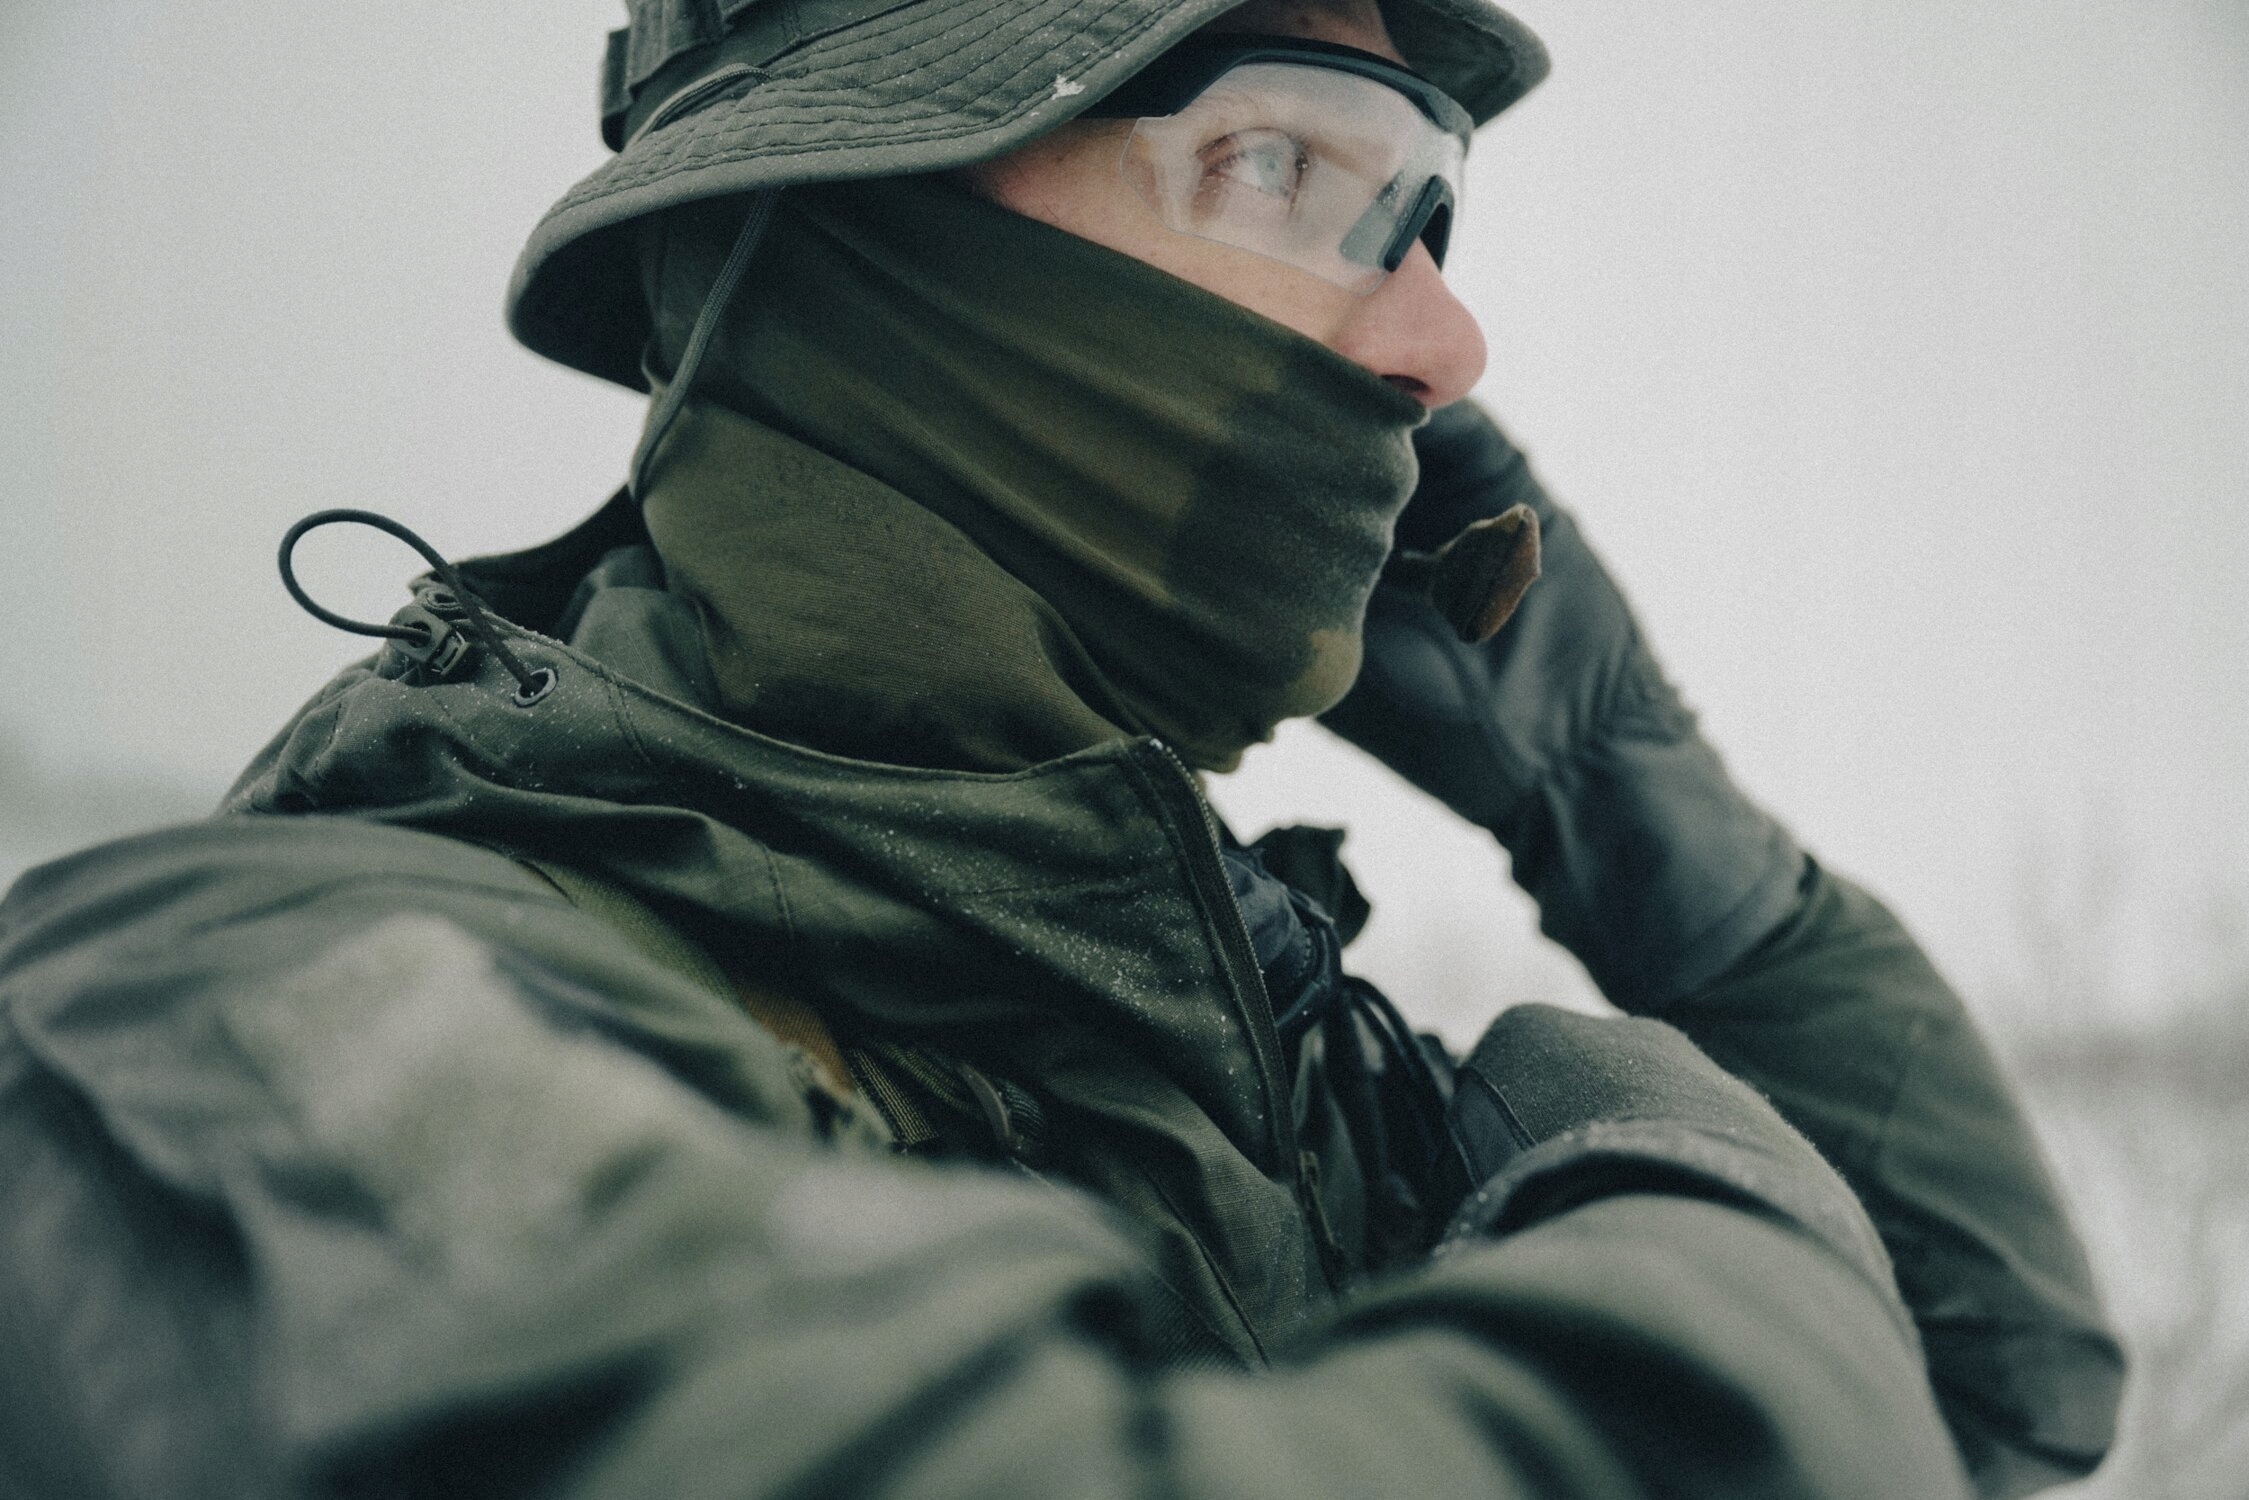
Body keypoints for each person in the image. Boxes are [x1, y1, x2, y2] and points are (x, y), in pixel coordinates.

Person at [0, 1, 2122, 1496]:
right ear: (852, 244)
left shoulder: (1252, 1043)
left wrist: (1635, 806)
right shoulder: (228, 1005)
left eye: (1426, 210)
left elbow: (2003, 1380)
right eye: (1281, 164)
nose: (1439, 340)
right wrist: (1712, 1228)